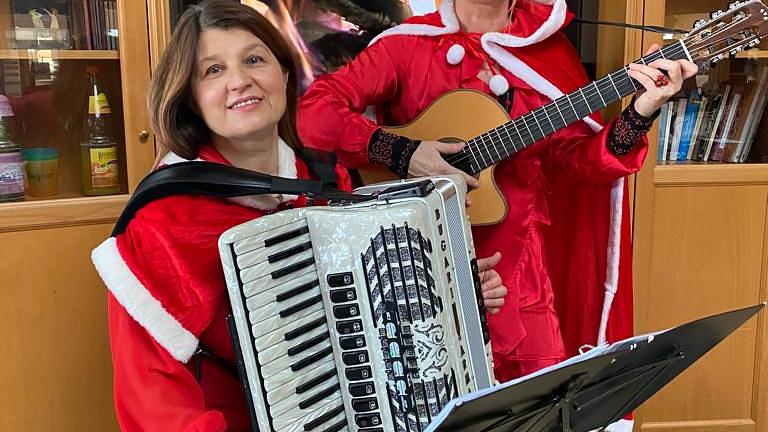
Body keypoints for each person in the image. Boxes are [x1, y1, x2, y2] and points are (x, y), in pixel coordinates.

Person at [90, 1, 506, 430]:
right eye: (213, 70)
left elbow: (367, 315)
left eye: (254, 60)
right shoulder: (164, 223)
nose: (239, 80)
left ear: (285, 74)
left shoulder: (323, 180)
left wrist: (451, 295)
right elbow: (153, 402)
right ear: (191, 98)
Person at [297, 0, 698, 388]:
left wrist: (641, 111)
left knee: (539, 401)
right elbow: (314, 114)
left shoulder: (548, 50)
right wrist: (405, 153)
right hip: (422, 269)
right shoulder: (406, 44)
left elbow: (577, 163)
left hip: (520, 273)